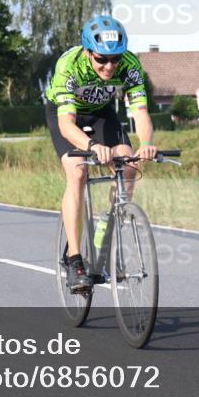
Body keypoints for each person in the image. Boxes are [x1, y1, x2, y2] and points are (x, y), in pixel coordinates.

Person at [44, 15, 158, 292]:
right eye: (101, 60)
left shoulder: (129, 65)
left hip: (101, 113)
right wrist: (92, 146)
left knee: (128, 164)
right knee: (79, 172)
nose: (110, 66)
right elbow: (66, 125)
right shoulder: (69, 67)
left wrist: (146, 143)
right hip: (66, 116)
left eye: (115, 59)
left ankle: (107, 229)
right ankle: (74, 259)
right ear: (87, 52)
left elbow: (140, 112)